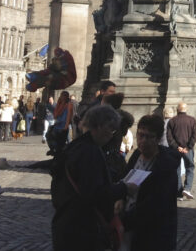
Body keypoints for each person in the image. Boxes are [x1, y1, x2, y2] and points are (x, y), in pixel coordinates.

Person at [51, 104, 138, 250]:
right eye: (110, 129)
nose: (111, 135)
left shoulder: (74, 147)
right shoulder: (90, 152)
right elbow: (96, 194)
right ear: (99, 126)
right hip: (82, 229)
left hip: (64, 223)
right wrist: (124, 188)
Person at [122, 114, 181, 250]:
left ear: (158, 138)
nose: (143, 141)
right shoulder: (136, 155)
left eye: (149, 137)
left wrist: (124, 220)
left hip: (153, 233)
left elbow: (156, 204)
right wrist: (120, 200)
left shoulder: (165, 166)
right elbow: (124, 178)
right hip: (131, 229)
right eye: (140, 135)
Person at [166, 101, 196, 200]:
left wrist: (176, 147)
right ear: (186, 109)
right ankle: (187, 189)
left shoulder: (172, 121)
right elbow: (194, 135)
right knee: (190, 168)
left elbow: (169, 137)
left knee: (177, 169)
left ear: (177, 110)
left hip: (176, 149)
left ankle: (179, 192)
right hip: (188, 149)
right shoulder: (192, 120)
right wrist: (188, 147)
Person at [49, 91, 74, 156]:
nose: (60, 97)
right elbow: (55, 114)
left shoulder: (68, 104)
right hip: (57, 125)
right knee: (50, 136)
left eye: (61, 96)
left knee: (60, 144)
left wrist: (66, 126)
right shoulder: (60, 104)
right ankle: (54, 150)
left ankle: (58, 155)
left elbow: (68, 116)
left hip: (63, 127)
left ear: (65, 97)